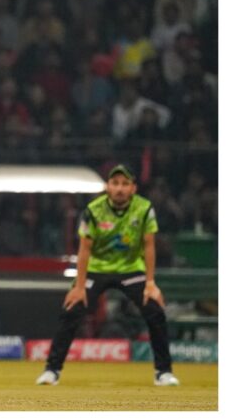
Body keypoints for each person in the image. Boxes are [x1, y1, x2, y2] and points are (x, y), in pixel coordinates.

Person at [36, 165, 180, 387]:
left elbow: (149, 246)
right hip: (97, 269)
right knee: (71, 310)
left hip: (131, 269)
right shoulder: (93, 210)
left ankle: (163, 372)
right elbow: (84, 249)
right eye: (115, 183)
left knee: (155, 310)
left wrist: (151, 283)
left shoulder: (144, 209)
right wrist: (79, 287)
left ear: (133, 188)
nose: (120, 189)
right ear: (107, 187)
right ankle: (51, 370)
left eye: (124, 184)